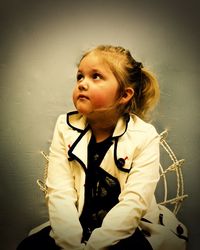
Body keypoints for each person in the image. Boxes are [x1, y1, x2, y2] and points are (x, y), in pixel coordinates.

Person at [17, 45, 187, 250]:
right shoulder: (64, 126)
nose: (82, 84)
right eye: (80, 76)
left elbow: (134, 203)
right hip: (76, 224)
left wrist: (95, 246)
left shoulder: (144, 136)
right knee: (30, 247)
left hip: (126, 230)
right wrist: (70, 244)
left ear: (124, 95)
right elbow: (59, 193)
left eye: (95, 76)